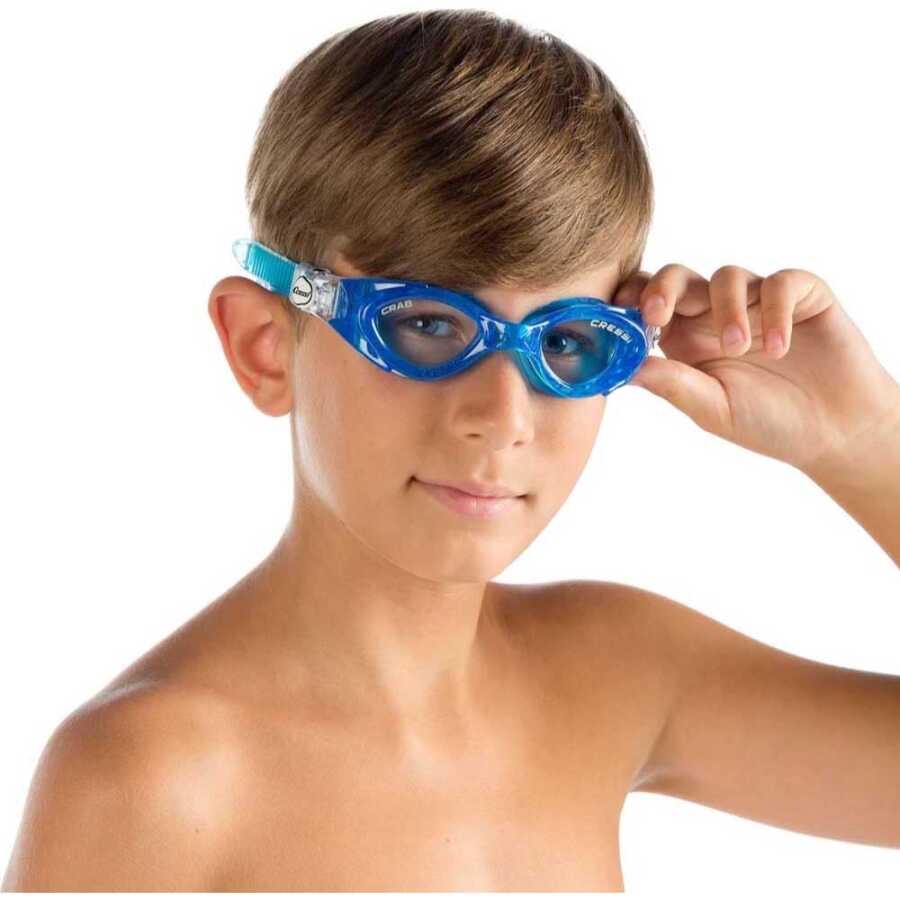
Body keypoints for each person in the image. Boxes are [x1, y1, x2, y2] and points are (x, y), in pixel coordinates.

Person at [3, 9, 899, 892]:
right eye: (428, 325)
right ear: (266, 346)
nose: (502, 418)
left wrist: (866, 442)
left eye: (567, 343)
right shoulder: (150, 778)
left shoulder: (613, 673)